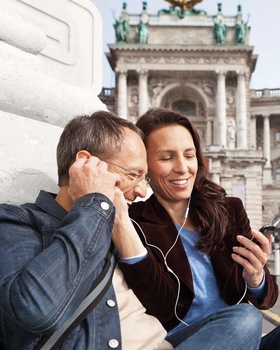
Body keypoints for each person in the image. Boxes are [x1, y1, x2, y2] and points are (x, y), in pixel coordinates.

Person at [0, 111, 261, 349]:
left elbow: (167, 305)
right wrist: (93, 205)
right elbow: (33, 309)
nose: (140, 192)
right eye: (134, 175)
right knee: (245, 320)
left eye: (143, 178)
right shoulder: (17, 221)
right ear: (87, 165)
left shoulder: (120, 225)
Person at [120, 108, 280, 349]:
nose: (183, 168)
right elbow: (157, 305)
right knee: (244, 318)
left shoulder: (228, 209)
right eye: (167, 158)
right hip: (186, 340)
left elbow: (266, 298)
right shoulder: (135, 223)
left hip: (241, 337)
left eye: (189, 155)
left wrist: (256, 278)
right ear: (145, 166)